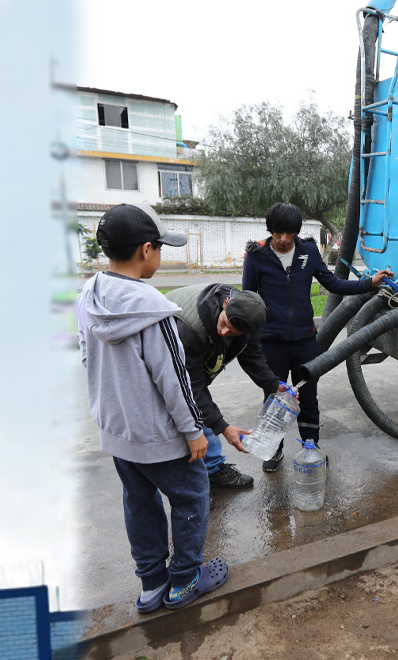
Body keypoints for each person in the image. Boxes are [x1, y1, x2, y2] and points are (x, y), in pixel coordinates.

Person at [76, 202, 229, 614]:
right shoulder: (154, 310)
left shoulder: (88, 298)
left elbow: (88, 361)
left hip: (118, 433)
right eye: (160, 247)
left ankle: (151, 586)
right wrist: (195, 431)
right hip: (161, 437)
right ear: (147, 250)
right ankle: (184, 581)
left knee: (139, 502)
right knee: (193, 496)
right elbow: (174, 379)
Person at [242, 202, 392, 471]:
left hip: (304, 342)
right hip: (271, 342)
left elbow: (334, 283)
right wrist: (253, 340)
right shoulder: (256, 255)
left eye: (290, 233)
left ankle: (310, 445)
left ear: (297, 232)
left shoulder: (308, 251)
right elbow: (248, 299)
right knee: (273, 398)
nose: (284, 239)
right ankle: (272, 450)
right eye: (278, 233)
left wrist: (370, 283)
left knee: (308, 397)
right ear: (270, 230)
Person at [164, 283, 288, 489]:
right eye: (224, 323)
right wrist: (222, 426)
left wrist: (274, 384)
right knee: (182, 420)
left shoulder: (249, 318)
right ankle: (191, 486)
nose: (223, 332)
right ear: (226, 303)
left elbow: (252, 356)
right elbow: (191, 386)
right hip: (159, 363)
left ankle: (213, 470)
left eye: (232, 332)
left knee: (201, 412)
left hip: (191, 369)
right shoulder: (191, 329)